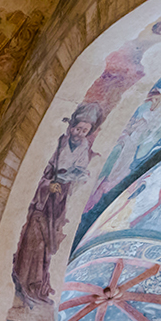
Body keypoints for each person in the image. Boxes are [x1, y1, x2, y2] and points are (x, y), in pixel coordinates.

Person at [12, 103, 102, 306]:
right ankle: (22, 280)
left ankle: (36, 285)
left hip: (59, 199)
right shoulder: (59, 142)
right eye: (78, 129)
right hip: (43, 200)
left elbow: (79, 170)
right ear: (71, 128)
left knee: (47, 242)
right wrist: (47, 184)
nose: (80, 133)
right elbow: (39, 170)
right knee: (34, 237)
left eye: (85, 131)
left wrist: (66, 180)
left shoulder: (83, 147)